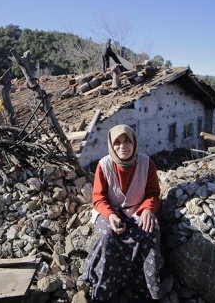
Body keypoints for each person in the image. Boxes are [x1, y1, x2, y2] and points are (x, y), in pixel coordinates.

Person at [82, 124, 162, 302]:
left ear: (134, 143)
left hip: (137, 209)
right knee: (108, 235)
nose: (122, 146)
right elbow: (99, 198)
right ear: (111, 145)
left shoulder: (146, 163)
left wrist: (148, 209)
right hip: (109, 211)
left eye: (127, 141)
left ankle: (145, 289)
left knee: (150, 232)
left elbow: (153, 194)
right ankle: (105, 289)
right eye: (117, 142)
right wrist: (110, 215)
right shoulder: (104, 165)